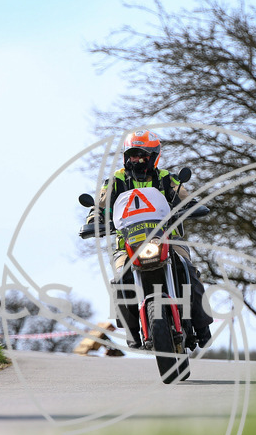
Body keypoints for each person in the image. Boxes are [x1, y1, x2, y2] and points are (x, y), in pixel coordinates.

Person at [87, 130, 213, 349]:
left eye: (143, 155)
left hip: (169, 239)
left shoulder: (166, 178)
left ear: (154, 156)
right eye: (133, 155)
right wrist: (93, 221)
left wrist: (192, 207)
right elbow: (98, 207)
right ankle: (132, 331)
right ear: (126, 156)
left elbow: (186, 199)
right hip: (126, 245)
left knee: (188, 271)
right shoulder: (115, 181)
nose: (137, 159)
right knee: (120, 281)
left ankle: (202, 327)